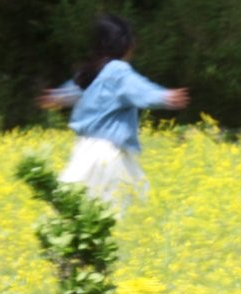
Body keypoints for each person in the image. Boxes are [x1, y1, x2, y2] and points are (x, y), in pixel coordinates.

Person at [38, 14, 189, 210]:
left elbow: (71, 92)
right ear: (124, 43)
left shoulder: (90, 71)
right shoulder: (117, 70)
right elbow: (137, 89)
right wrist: (164, 96)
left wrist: (55, 97)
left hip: (83, 152)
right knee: (116, 214)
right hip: (109, 155)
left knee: (75, 211)